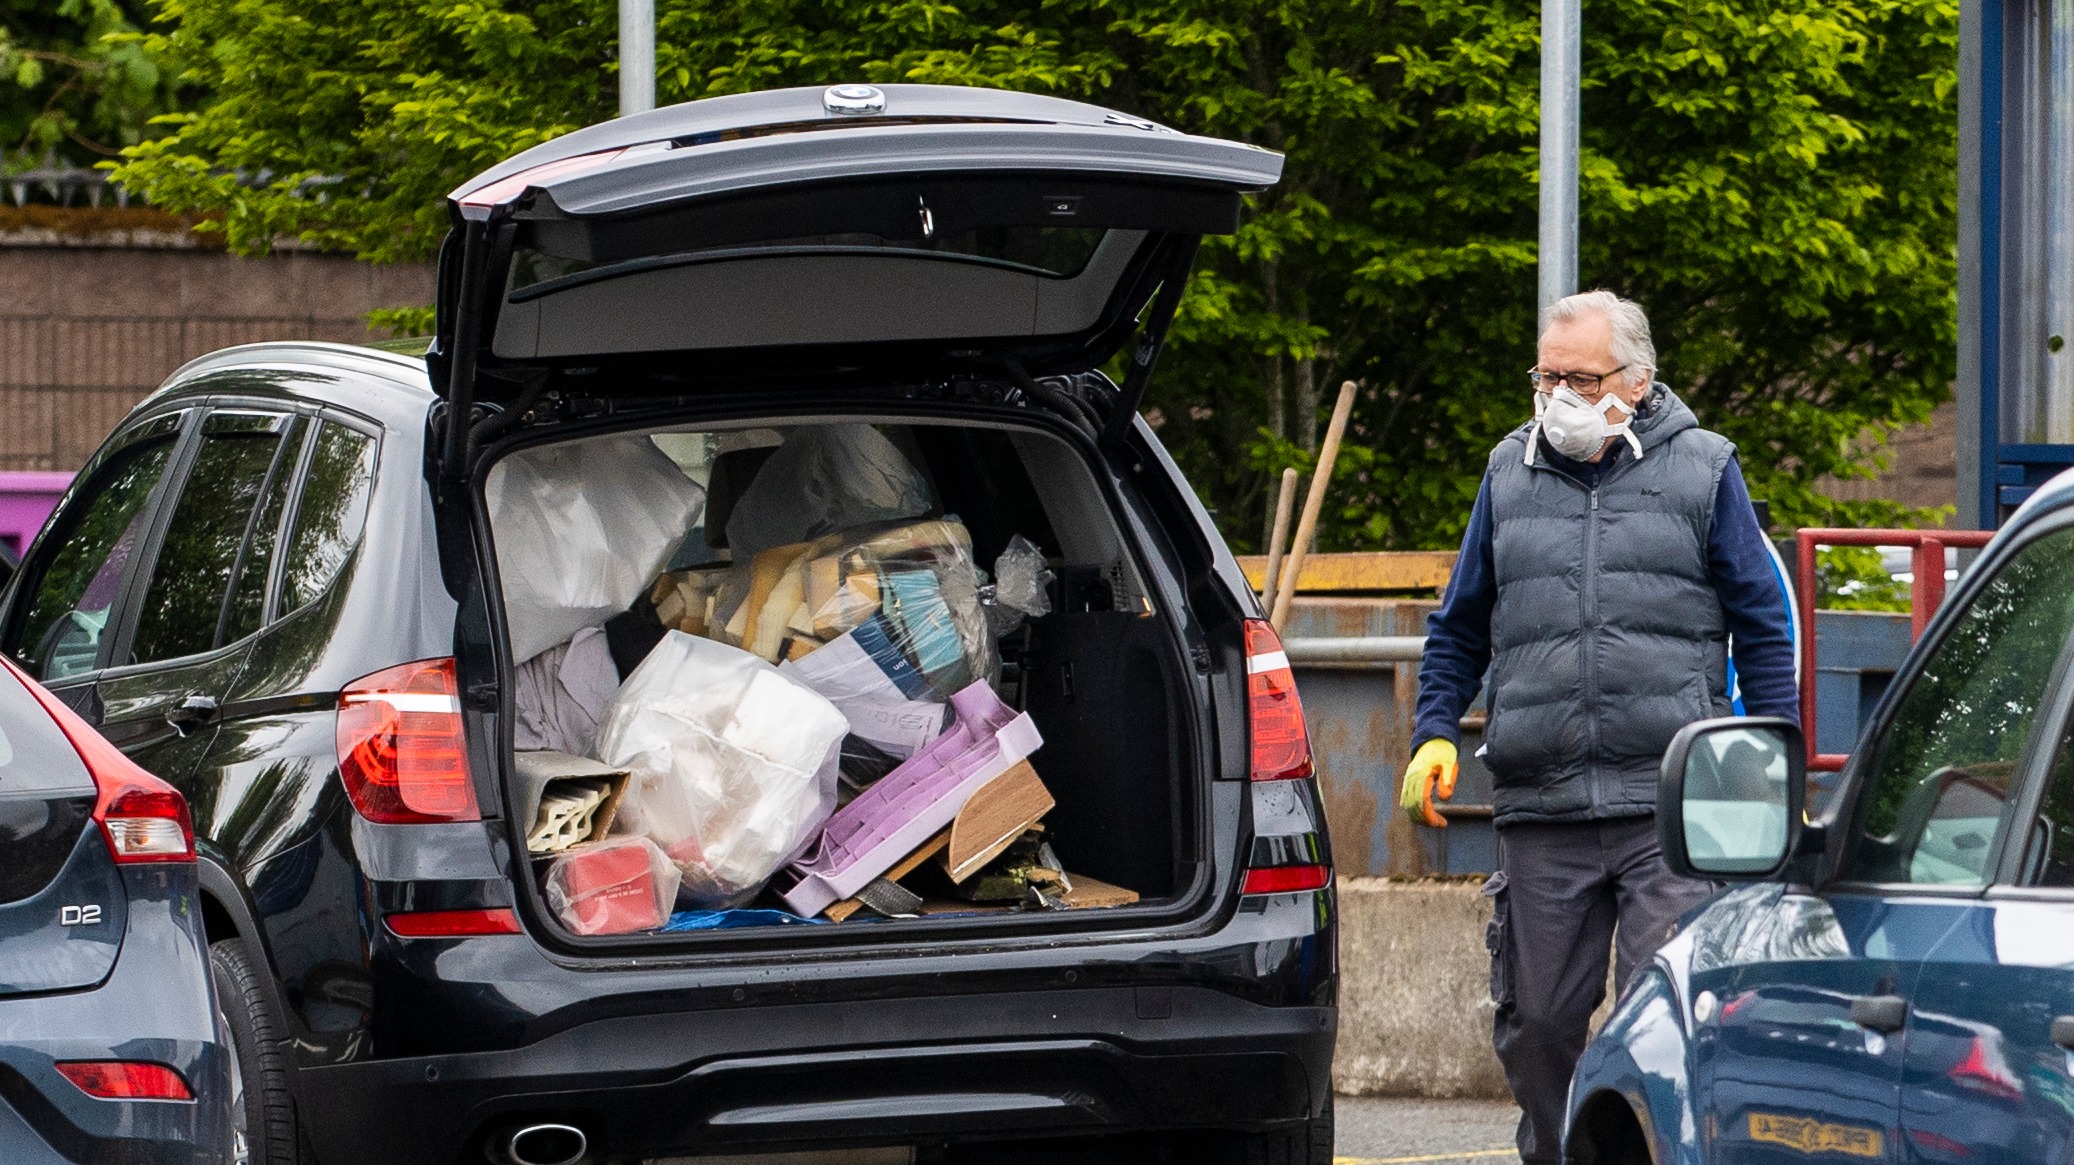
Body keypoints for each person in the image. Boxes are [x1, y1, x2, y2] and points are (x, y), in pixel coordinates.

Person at [1400, 289, 1797, 1165]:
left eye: (1579, 377)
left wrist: (1774, 765)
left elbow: (1764, 623)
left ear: (1637, 379)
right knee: (1538, 1024)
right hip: (1542, 805)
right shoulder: (1509, 472)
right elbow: (1460, 622)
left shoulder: (1704, 468)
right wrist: (1436, 727)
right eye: (1546, 376)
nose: (1558, 396)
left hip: (1671, 808)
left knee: (1663, 1020)